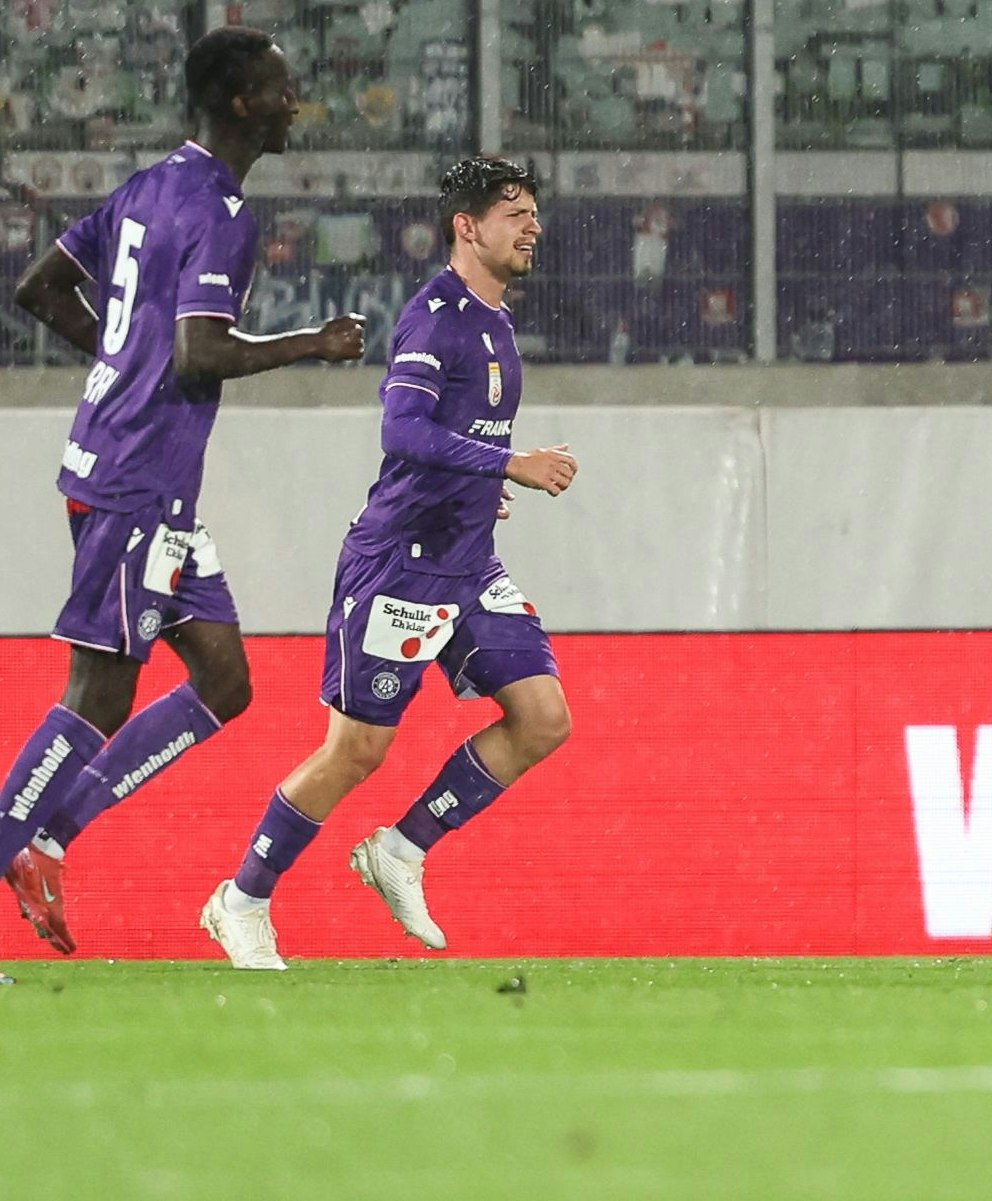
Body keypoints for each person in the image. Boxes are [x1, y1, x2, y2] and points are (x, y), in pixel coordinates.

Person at [2, 26, 366, 957]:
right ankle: (16, 841)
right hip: (136, 478)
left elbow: (41, 288)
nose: (296, 102)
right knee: (97, 696)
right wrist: (311, 344)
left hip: (135, 476)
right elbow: (202, 350)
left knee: (223, 679)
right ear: (242, 102)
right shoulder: (221, 209)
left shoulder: (146, 186)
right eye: (282, 89)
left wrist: (124, 361)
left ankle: (46, 838)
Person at [200, 155, 577, 970]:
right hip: (400, 564)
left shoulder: (497, 320)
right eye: (514, 213)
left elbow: (446, 443)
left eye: (534, 213)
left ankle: (401, 849)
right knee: (356, 752)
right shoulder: (434, 318)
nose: (532, 227)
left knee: (544, 717)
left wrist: (476, 489)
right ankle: (241, 899)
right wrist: (506, 464)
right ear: (466, 227)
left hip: (467, 558)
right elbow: (401, 431)